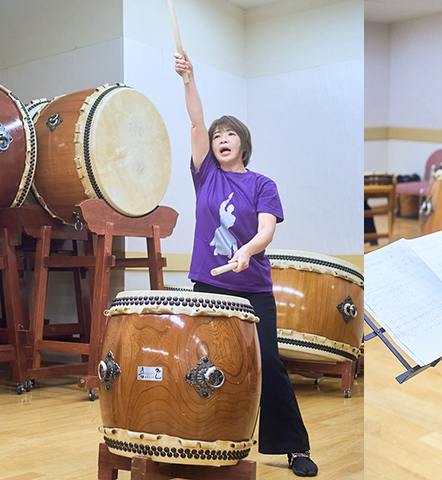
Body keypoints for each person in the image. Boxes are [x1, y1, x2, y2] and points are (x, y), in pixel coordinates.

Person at [174, 50, 317, 477]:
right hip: (209, 284)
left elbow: (267, 229)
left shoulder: (262, 184)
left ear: (242, 143)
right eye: (217, 134)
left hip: (252, 287)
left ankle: (293, 447)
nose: (220, 137)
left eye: (229, 133)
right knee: (203, 362)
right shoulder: (205, 175)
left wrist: (246, 251)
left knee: (267, 363)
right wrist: (189, 78)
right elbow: (196, 122)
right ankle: (203, 437)